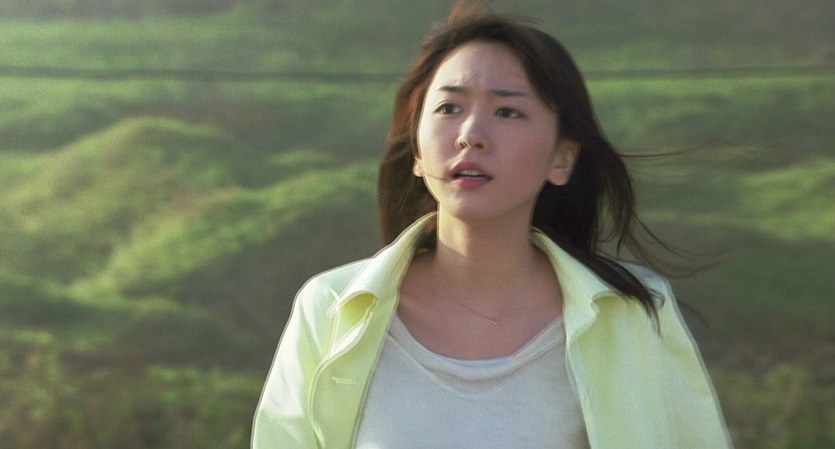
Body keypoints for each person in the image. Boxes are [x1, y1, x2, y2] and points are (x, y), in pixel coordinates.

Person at [252, 2, 733, 448]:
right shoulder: (330, 309)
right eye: (449, 108)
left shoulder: (631, 315)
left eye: (508, 111)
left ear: (562, 159)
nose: (470, 135)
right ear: (416, 150)